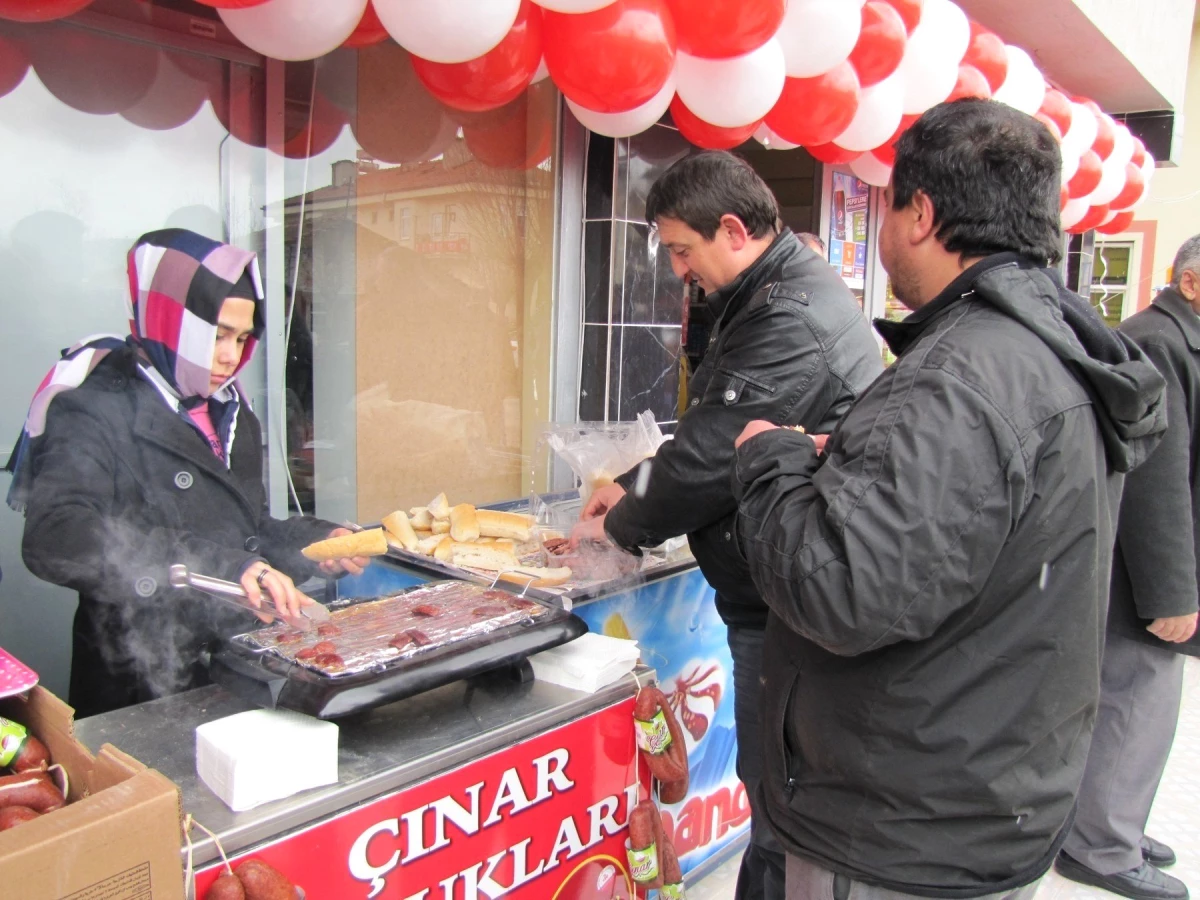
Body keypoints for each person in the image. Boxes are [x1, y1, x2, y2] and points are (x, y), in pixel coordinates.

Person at [731, 98, 1167, 900]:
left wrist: (770, 459)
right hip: (987, 797)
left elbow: (840, 588)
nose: (888, 226)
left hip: (899, 832)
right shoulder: (1046, 349)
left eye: (890, 203)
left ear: (921, 214)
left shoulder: (962, 376)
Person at [572, 151, 882, 900]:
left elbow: (714, 454)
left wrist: (624, 523)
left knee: (782, 800)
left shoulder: (788, 316)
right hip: (782, 590)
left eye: (683, 249)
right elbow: (712, 431)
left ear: (734, 230)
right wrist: (629, 488)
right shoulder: (769, 294)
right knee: (775, 797)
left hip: (791, 604)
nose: (679, 269)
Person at [7, 228, 368, 718]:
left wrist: (314, 544)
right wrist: (219, 567)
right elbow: (55, 538)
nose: (230, 356)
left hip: (235, 667)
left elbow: (245, 532)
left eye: (242, 338)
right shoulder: (94, 408)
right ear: (168, 319)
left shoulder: (231, 412)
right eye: (216, 334)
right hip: (137, 680)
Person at [1055, 235, 1200, 900]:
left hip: (1153, 569)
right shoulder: (1160, 341)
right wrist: (1171, 592)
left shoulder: (1173, 337)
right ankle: (1101, 844)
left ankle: (1115, 823)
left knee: (1142, 711)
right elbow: (1158, 483)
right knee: (1133, 707)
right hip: (1142, 577)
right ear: (1191, 284)